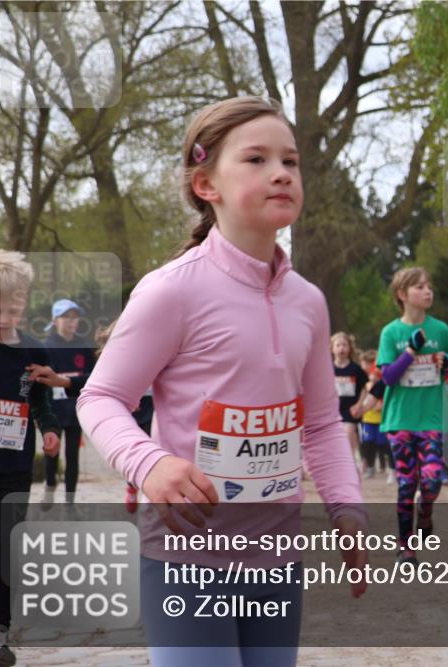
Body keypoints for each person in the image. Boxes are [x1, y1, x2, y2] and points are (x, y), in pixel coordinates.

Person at [76, 96, 367, 667]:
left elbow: (323, 424)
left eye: (291, 160)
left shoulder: (309, 302)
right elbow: (101, 397)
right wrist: (149, 463)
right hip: (185, 559)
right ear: (206, 183)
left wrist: (347, 507)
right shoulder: (171, 291)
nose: (282, 172)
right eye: (256, 159)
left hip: (278, 559)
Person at [0, 250, 61, 666]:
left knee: (6, 550)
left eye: (12, 309)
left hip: (14, 469)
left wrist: (49, 430)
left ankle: (0, 636)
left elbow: (42, 401)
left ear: (24, 303)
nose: (3, 317)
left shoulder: (35, 350)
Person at [376, 267, 448, 564]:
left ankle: (425, 515)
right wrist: (410, 351)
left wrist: (446, 362)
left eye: (429, 286)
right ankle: (405, 546)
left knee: (433, 480)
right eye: (420, 287)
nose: (428, 291)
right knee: (406, 483)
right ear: (402, 294)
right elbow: (387, 377)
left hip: (430, 420)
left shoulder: (442, 330)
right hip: (399, 420)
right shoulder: (391, 333)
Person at [26, 298, 96, 508]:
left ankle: (70, 502)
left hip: (75, 410)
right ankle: (49, 488)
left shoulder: (84, 346)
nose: (71, 322)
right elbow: (38, 382)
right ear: (55, 320)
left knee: (72, 456)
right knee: (52, 452)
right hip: (53, 411)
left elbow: (92, 377)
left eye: (75, 317)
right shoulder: (45, 346)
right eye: (66, 317)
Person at [353, 350, 393, 482]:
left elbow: (379, 393)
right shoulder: (364, 381)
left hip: (383, 419)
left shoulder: (382, 377)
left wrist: (379, 406)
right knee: (367, 443)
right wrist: (361, 409)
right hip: (367, 419)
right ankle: (370, 467)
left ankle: (390, 467)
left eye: (365, 364)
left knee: (384, 445)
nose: (363, 367)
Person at [331, 331, 368, 470]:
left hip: (350, 410)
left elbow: (365, 388)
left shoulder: (355, 369)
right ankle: (342, 465)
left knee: (346, 438)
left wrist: (359, 404)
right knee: (336, 441)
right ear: (332, 348)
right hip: (332, 410)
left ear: (350, 348)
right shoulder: (328, 368)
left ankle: (348, 467)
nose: (341, 348)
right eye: (338, 345)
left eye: (344, 345)